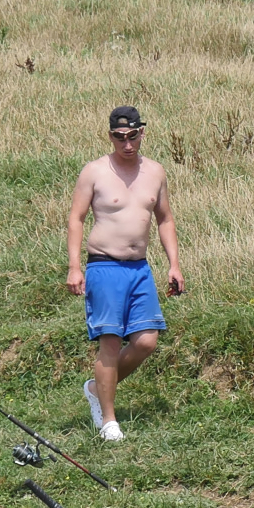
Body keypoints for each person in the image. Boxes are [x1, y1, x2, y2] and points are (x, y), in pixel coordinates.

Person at [66, 106, 185, 441]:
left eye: (132, 136)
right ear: (111, 137)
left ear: (142, 133)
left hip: (140, 267)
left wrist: (174, 264)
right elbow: (76, 219)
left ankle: (96, 387)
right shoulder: (94, 172)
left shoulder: (156, 172)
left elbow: (165, 219)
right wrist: (75, 267)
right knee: (110, 340)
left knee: (146, 341)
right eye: (120, 138)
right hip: (104, 266)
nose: (127, 144)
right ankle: (108, 421)